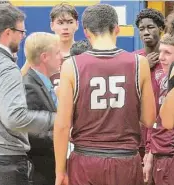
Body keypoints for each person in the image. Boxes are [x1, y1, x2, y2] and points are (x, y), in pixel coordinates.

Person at [54, 4, 156, 185]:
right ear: (117, 28)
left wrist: (60, 171)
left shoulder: (72, 65)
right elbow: (149, 119)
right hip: (125, 160)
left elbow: (62, 126)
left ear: (86, 32)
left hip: (85, 159)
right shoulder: (139, 63)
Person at [0, 5, 55, 185]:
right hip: (7, 161)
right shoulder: (7, 68)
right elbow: (14, 117)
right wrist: (56, 119)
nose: (23, 36)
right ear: (8, 32)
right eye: (21, 31)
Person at [23, 32, 62, 185]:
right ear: (45, 57)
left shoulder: (43, 84)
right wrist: (63, 135)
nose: (61, 57)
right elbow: (30, 133)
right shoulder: (29, 86)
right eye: (57, 53)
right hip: (41, 172)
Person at [134, 8, 165, 163]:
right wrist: (144, 67)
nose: (146, 32)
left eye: (150, 27)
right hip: (138, 131)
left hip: (163, 132)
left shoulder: (169, 58)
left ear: (161, 29)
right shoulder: (133, 59)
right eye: (141, 29)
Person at [143, 33, 174, 185]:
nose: (161, 57)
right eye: (160, 51)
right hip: (158, 156)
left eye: (167, 53)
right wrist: (149, 154)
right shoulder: (162, 80)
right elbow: (154, 121)